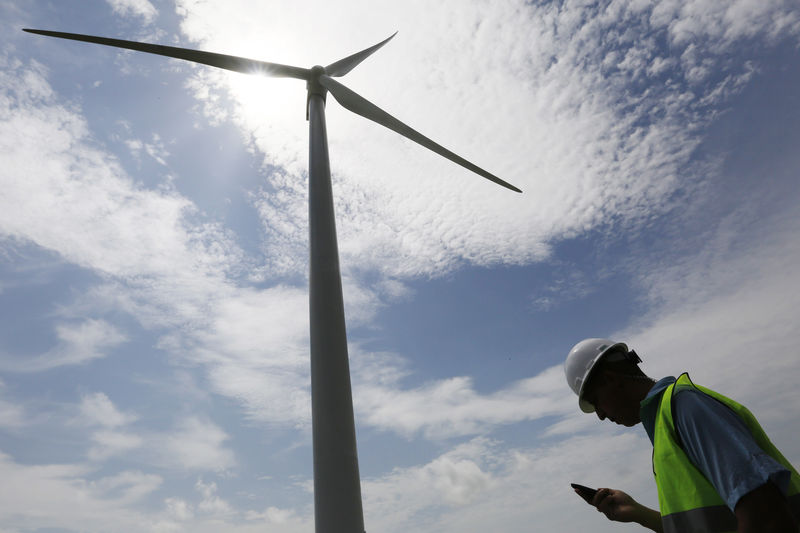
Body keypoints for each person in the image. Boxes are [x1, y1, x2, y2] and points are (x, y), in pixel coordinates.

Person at [564, 338, 800, 533]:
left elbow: (766, 515)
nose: (601, 415)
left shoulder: (684, 407)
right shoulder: (666, 425)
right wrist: (639, 513)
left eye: (596, 402)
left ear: (610, 379)